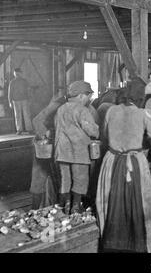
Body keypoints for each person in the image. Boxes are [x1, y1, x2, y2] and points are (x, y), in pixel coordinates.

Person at [96, 78, 151, 253]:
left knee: (113, 200)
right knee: (138, 201)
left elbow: (104, 135)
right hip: (134, 162)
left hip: (112, 161)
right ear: (141, 98)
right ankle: (137, 243)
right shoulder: (142, 114)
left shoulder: (111, 110)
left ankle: (112, 242)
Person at [54, 81, 99, 214]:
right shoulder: (82, 110)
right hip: (78, 152)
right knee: (80, 179)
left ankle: (66, 205)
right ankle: (75, 206)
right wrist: (97, 130)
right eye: (88, 96)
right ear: (80, 96)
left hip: (62, 152)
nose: (88, 99)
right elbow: (92, 130)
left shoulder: (60, 109)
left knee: (65, 178)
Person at [30, 94, 67, 209]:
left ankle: (54, 207)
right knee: (39, 177)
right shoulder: (57, 105)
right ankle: (35, 210)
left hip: (55, 145)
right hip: (45, 146)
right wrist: (46, 133)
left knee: (57, 178)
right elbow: (36, 121)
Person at [8, 68, 33, 134]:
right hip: (15, 101)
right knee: (17, 115)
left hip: (25, 100)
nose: (17, 75)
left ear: (21, 74)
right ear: (14, 74)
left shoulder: (25, 81)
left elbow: (29, 91)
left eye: (18, 74)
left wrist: (30, 99)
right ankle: (19, 130)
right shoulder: (12, 82)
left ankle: (29, 129)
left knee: (26, 114)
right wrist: (10, 102)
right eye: (16, 74)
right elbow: (10, 93)